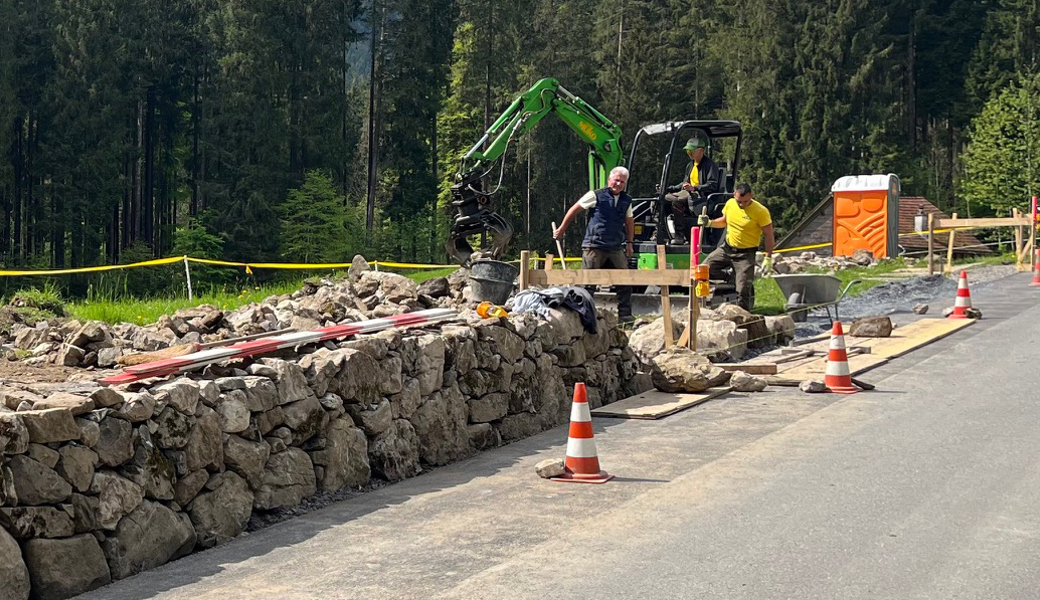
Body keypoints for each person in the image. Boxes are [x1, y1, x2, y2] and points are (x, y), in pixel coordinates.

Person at [553, 166, 635, 322]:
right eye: (616, 180)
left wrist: (630, 242)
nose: (618, 184)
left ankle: (625, 316)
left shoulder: (626, 200)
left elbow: (629, 221)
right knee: (588, 283)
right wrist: (562, 229)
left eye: (622, 182)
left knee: (624, 280)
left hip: (615, 247)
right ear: (609, 179)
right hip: (594, 245)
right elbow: (574, 209)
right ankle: (583, 315)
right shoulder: (595, 195)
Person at [697, 183, 774, 311]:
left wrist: (769, 257)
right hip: (727, 249)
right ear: (734, 195)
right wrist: (709, 222)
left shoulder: (761, 211)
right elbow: (724, 221)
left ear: (751, 196)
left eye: (745, 201)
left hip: (745, 254)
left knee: (743, 290)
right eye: (739, 201)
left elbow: (769, 235)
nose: (742, 204)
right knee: (704, 270)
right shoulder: (730, 204)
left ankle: (743, 317)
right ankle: (729, 276)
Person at [665, 135, 721, 242]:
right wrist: (669, 188)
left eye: (691, 151)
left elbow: (712, 184)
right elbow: (684, 183)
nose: (689, 154)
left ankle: (679, 235)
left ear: (701, 151)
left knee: (677, 201)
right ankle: (660, 232)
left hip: (702, 197)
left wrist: (695, 188)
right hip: (689, 193)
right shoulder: (690, 165)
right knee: (663, 198)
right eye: (687, 151)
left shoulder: (710, 166)